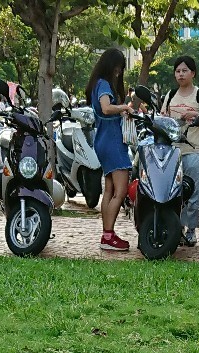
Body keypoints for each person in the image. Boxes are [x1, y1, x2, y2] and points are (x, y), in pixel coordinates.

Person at [162, 55, 199, 246]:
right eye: (177, 71)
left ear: (193, 73)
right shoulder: (170, 95)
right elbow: (163, 119)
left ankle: (191, 231)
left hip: (194, 151)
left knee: (192, 193)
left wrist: (197, 116)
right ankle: (175, 229)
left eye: (184, 70)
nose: (180, 74)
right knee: (172, 193)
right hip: (172, 152)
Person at [87, 48, 134, 252]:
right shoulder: (104, 84)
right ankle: (109, 235)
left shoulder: (96, 84)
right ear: (112, 66)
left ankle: (107, 234)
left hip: (102, 140)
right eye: (118, 68)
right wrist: (124, 108)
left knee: (109, 189)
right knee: (120, 190)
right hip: (113, 142)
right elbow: (106, 108)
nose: (118, 73)